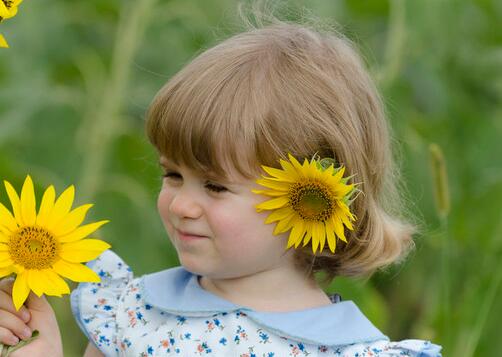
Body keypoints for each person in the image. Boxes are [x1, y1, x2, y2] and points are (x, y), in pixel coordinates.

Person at [0, 16, 442, 357]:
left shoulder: (347, 350)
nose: (181, 205)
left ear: (313, 203)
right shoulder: (133, 314)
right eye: (173, 175)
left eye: (214, 186)